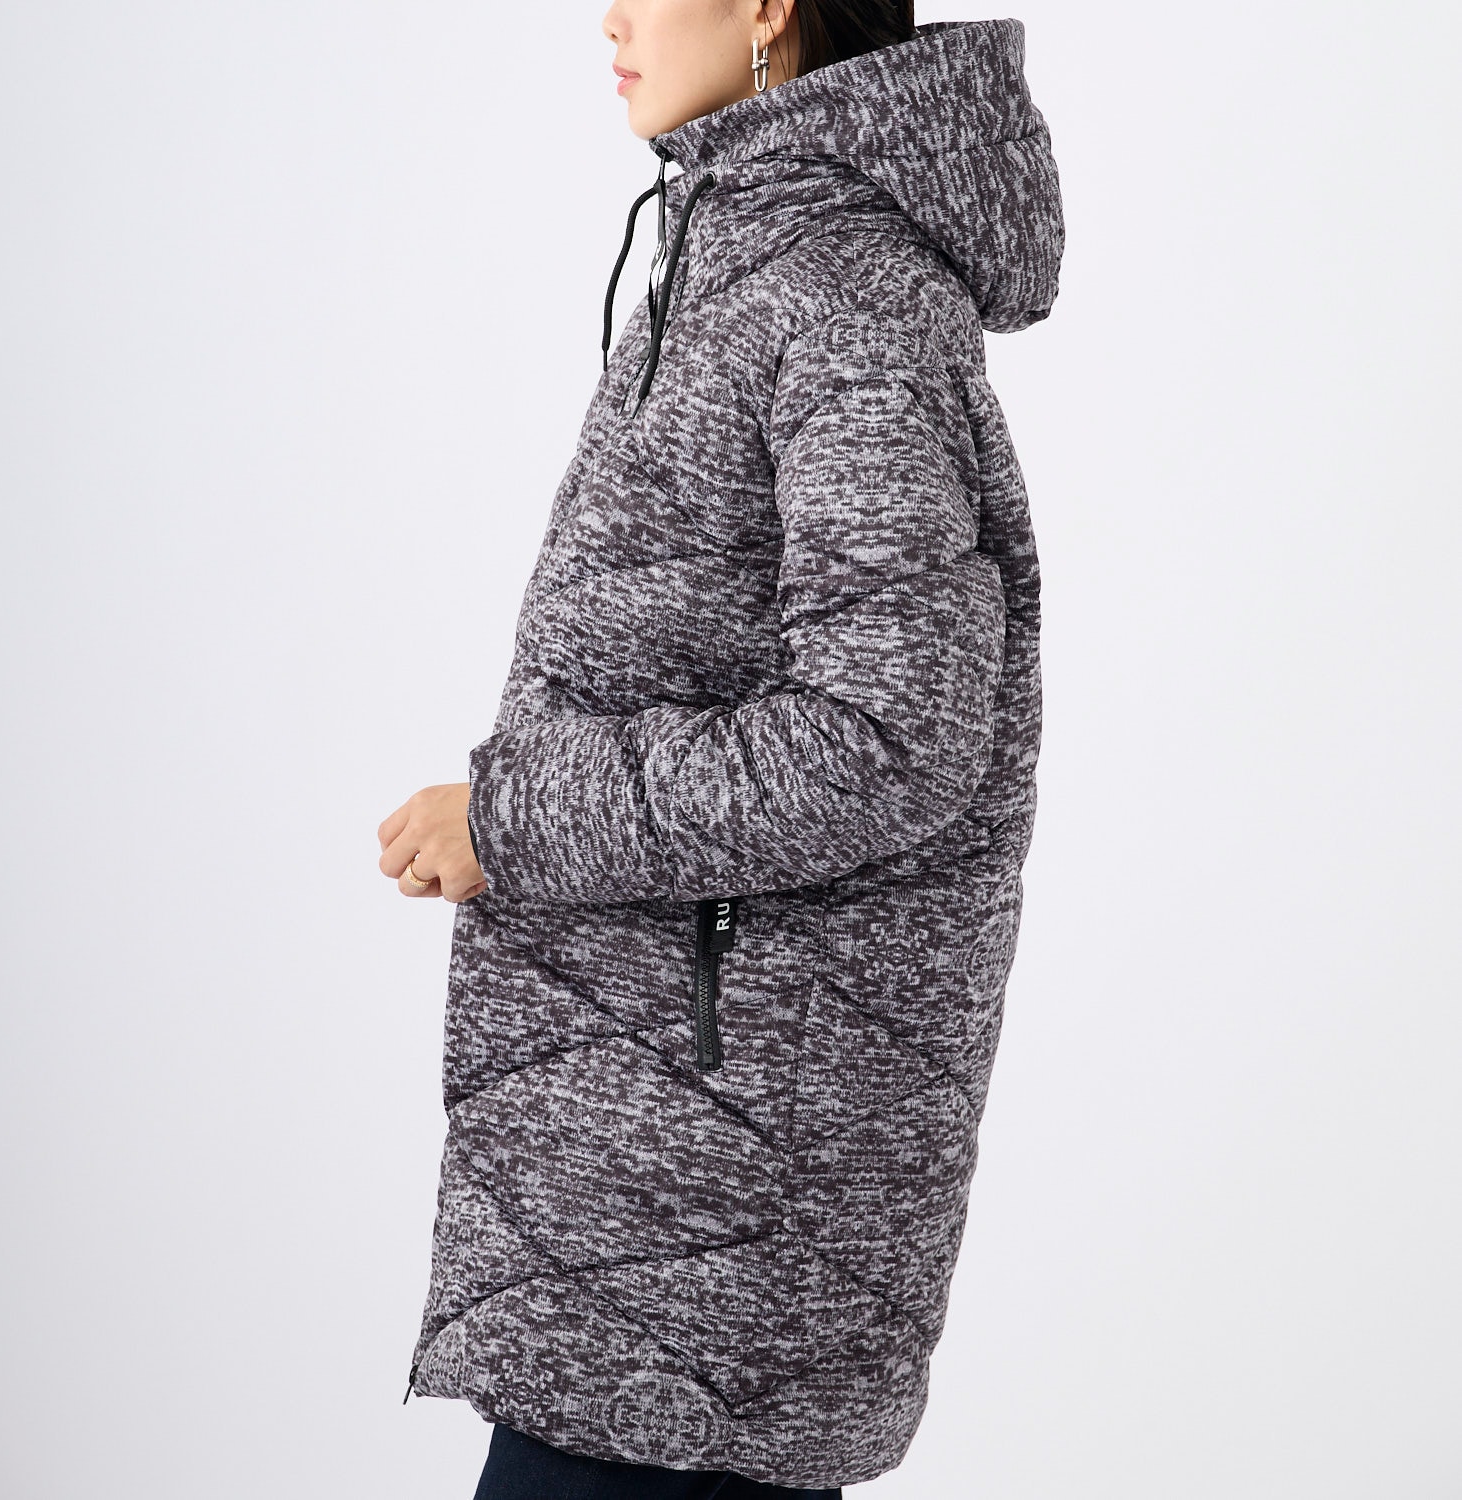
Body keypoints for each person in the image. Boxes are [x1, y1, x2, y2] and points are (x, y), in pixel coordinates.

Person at [377, 3, 1064, 1495]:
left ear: (768, 6)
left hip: (716, 1219)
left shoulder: (847, 294)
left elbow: (889, 732)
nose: (609, 15)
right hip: (662, 1193)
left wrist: (514, 820)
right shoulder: (736, 253)